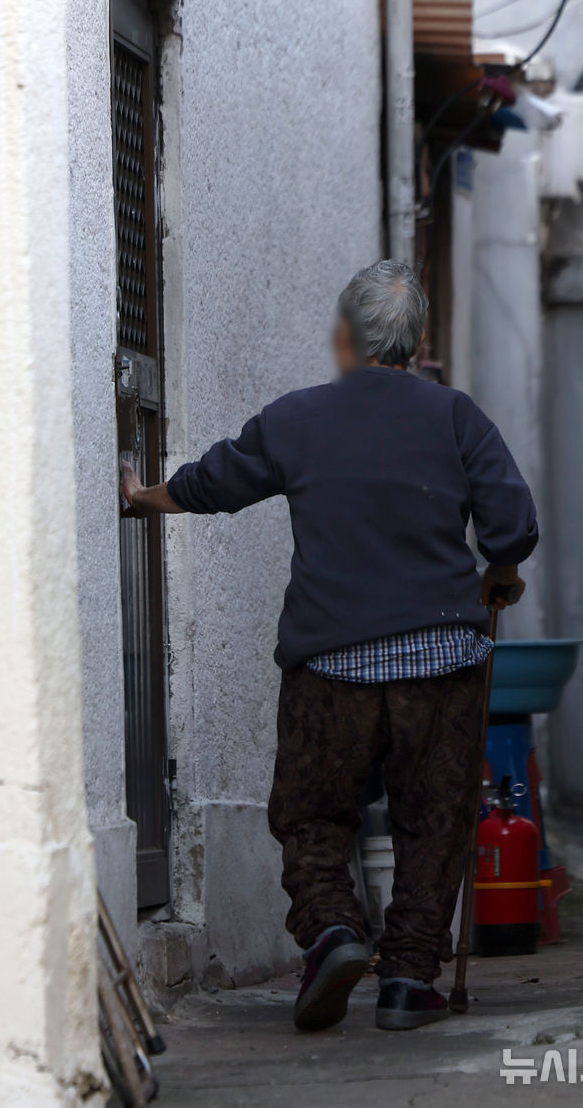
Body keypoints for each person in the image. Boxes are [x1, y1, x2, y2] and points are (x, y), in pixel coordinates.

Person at [121, 260, 538, 1033]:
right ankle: (411, 980)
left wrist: (143, 494)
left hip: (330, 662)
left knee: (312, 812)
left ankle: (334, 931)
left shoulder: (298, 419)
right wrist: (501, 572)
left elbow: (217, 481)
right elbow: (511, 517)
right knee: (433, 818)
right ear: (412, 343)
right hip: (441, 661)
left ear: (345, 336)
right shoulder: (456, 416)